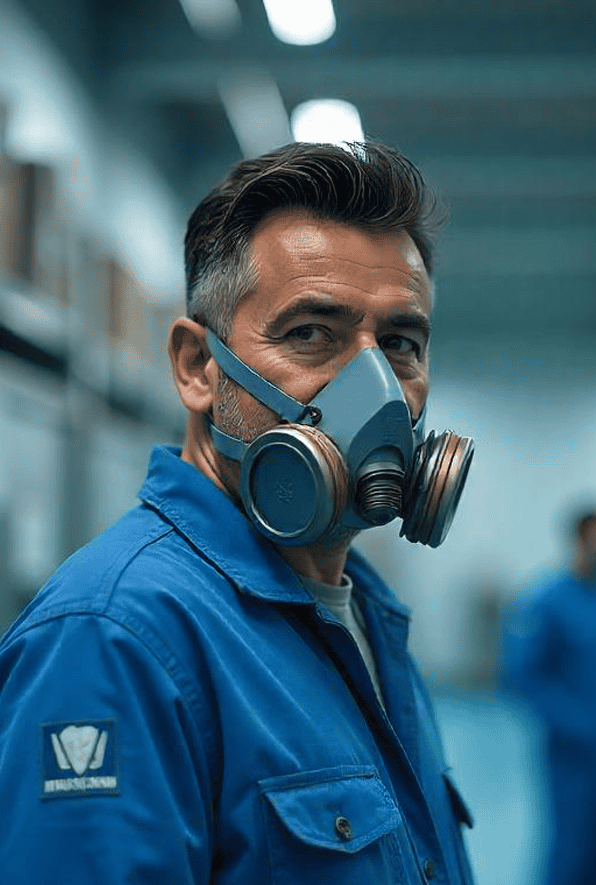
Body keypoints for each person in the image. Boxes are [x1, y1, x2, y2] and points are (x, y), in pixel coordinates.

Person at [0, 142, 476, 884]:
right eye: (311, 332)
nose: (376, 385)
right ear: (198, 367)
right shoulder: (114, 639)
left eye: (400, 343)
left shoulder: (366, 618)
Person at [502, 510, 596, 885]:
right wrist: (580, 725)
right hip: (575, 757)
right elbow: (523, 676)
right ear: (582, 541)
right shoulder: (547, 600)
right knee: (573, 851)